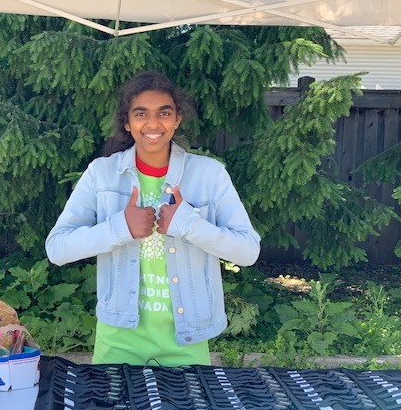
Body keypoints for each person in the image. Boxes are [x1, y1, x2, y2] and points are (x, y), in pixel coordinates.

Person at [45, 70, 260, 366]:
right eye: (141, 113)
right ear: (127, 122)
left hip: (186, 345)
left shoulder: (209, 175)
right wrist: (120, 228)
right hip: (118, 345)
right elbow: (57, 248)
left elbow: (248, 251)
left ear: (177, 120)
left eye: (164, 113)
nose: (153, 123)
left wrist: (189, 225)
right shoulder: (102, 173)